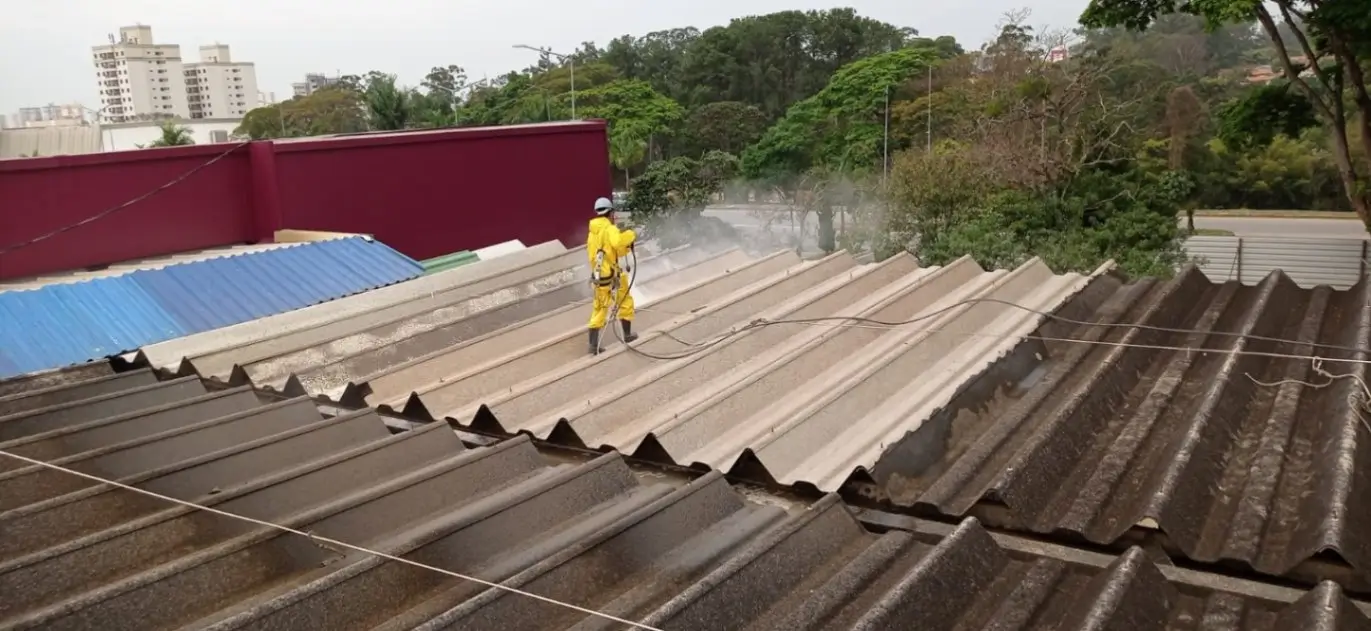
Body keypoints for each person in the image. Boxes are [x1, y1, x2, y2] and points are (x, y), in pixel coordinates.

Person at [586, 196, 638, 355]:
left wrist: (626, 248)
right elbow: (617, 243)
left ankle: (593, 345)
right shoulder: (610, 229)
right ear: (610, 212)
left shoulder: (593, 232)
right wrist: (630, 235)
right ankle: (627, 334)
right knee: (625, 300)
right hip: (612, 274)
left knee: (599, 308)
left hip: (598, 275)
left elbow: (611, 250)